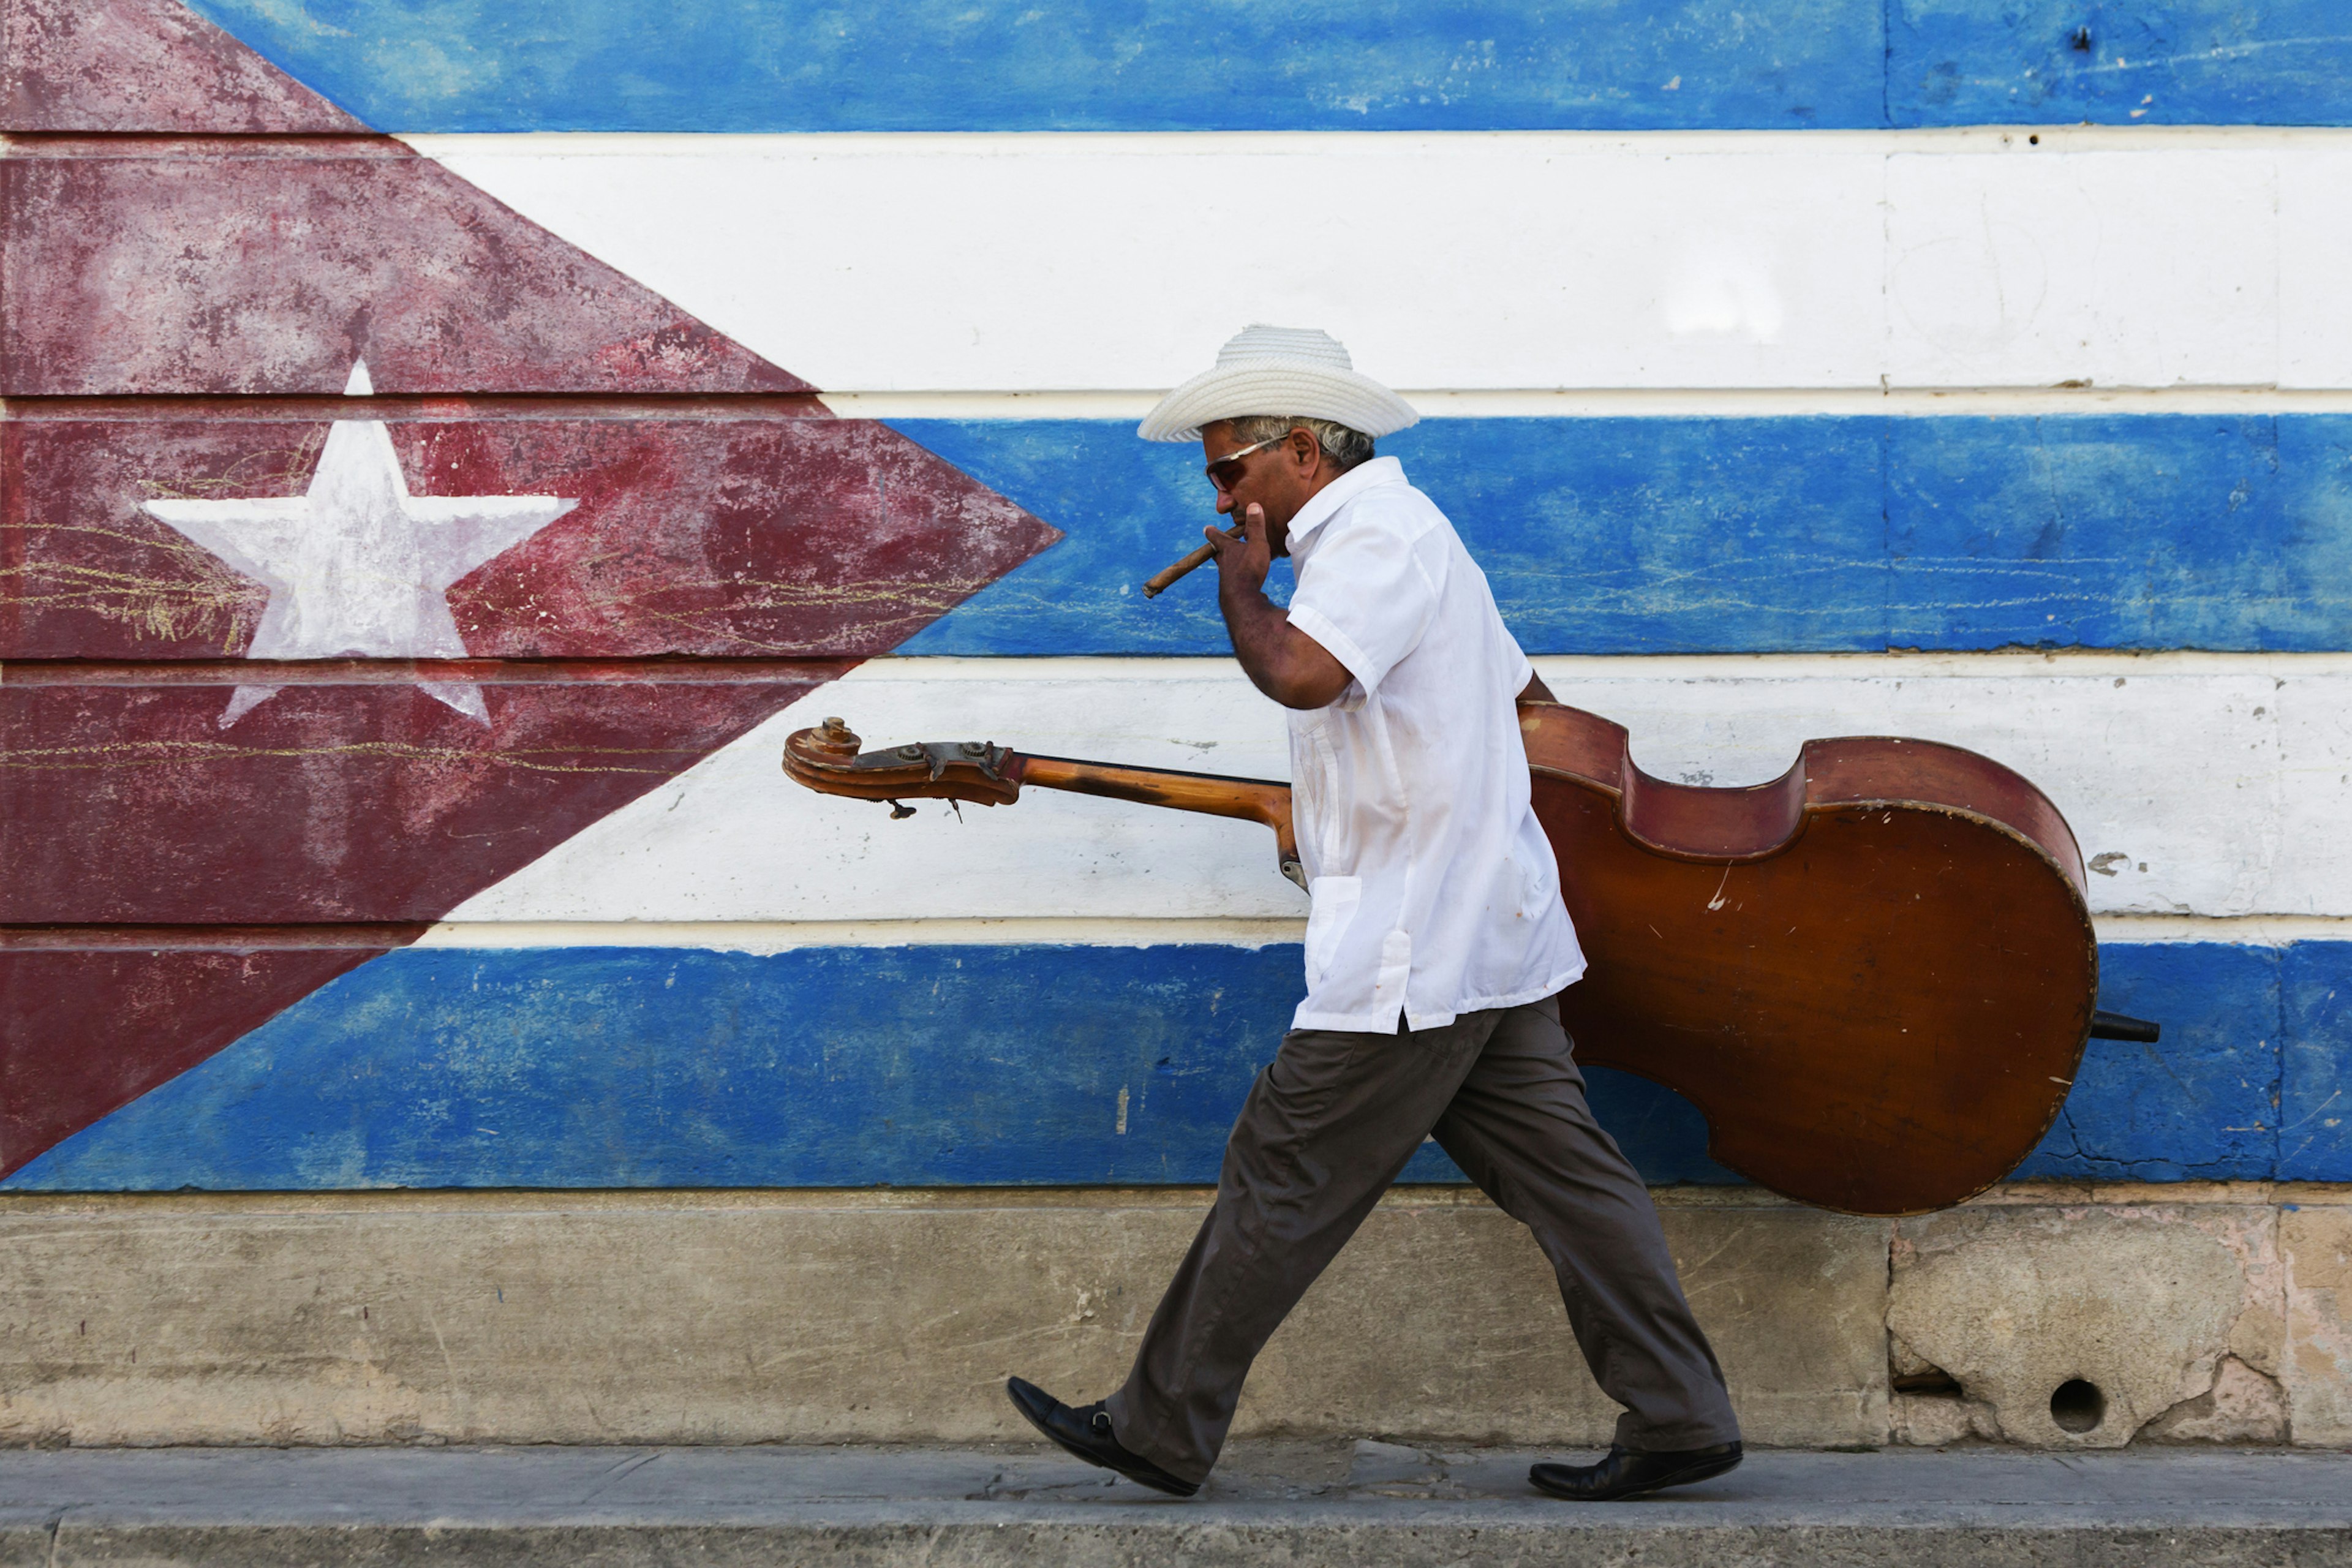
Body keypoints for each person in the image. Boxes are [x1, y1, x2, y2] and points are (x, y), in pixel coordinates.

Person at [1005, 325, 1742, 1502]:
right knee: (1571, 1179)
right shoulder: (1412, 536)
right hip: (1484, 933)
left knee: (1283, 1167)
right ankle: (1680, 1413)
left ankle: (1158, 1427)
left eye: (1227, 470)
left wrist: (1245, 594)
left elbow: (1305, 676)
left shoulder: (1370, 539)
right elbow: (1524, 696)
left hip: (1415, 945)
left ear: (1300, 450)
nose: (1220, 496)